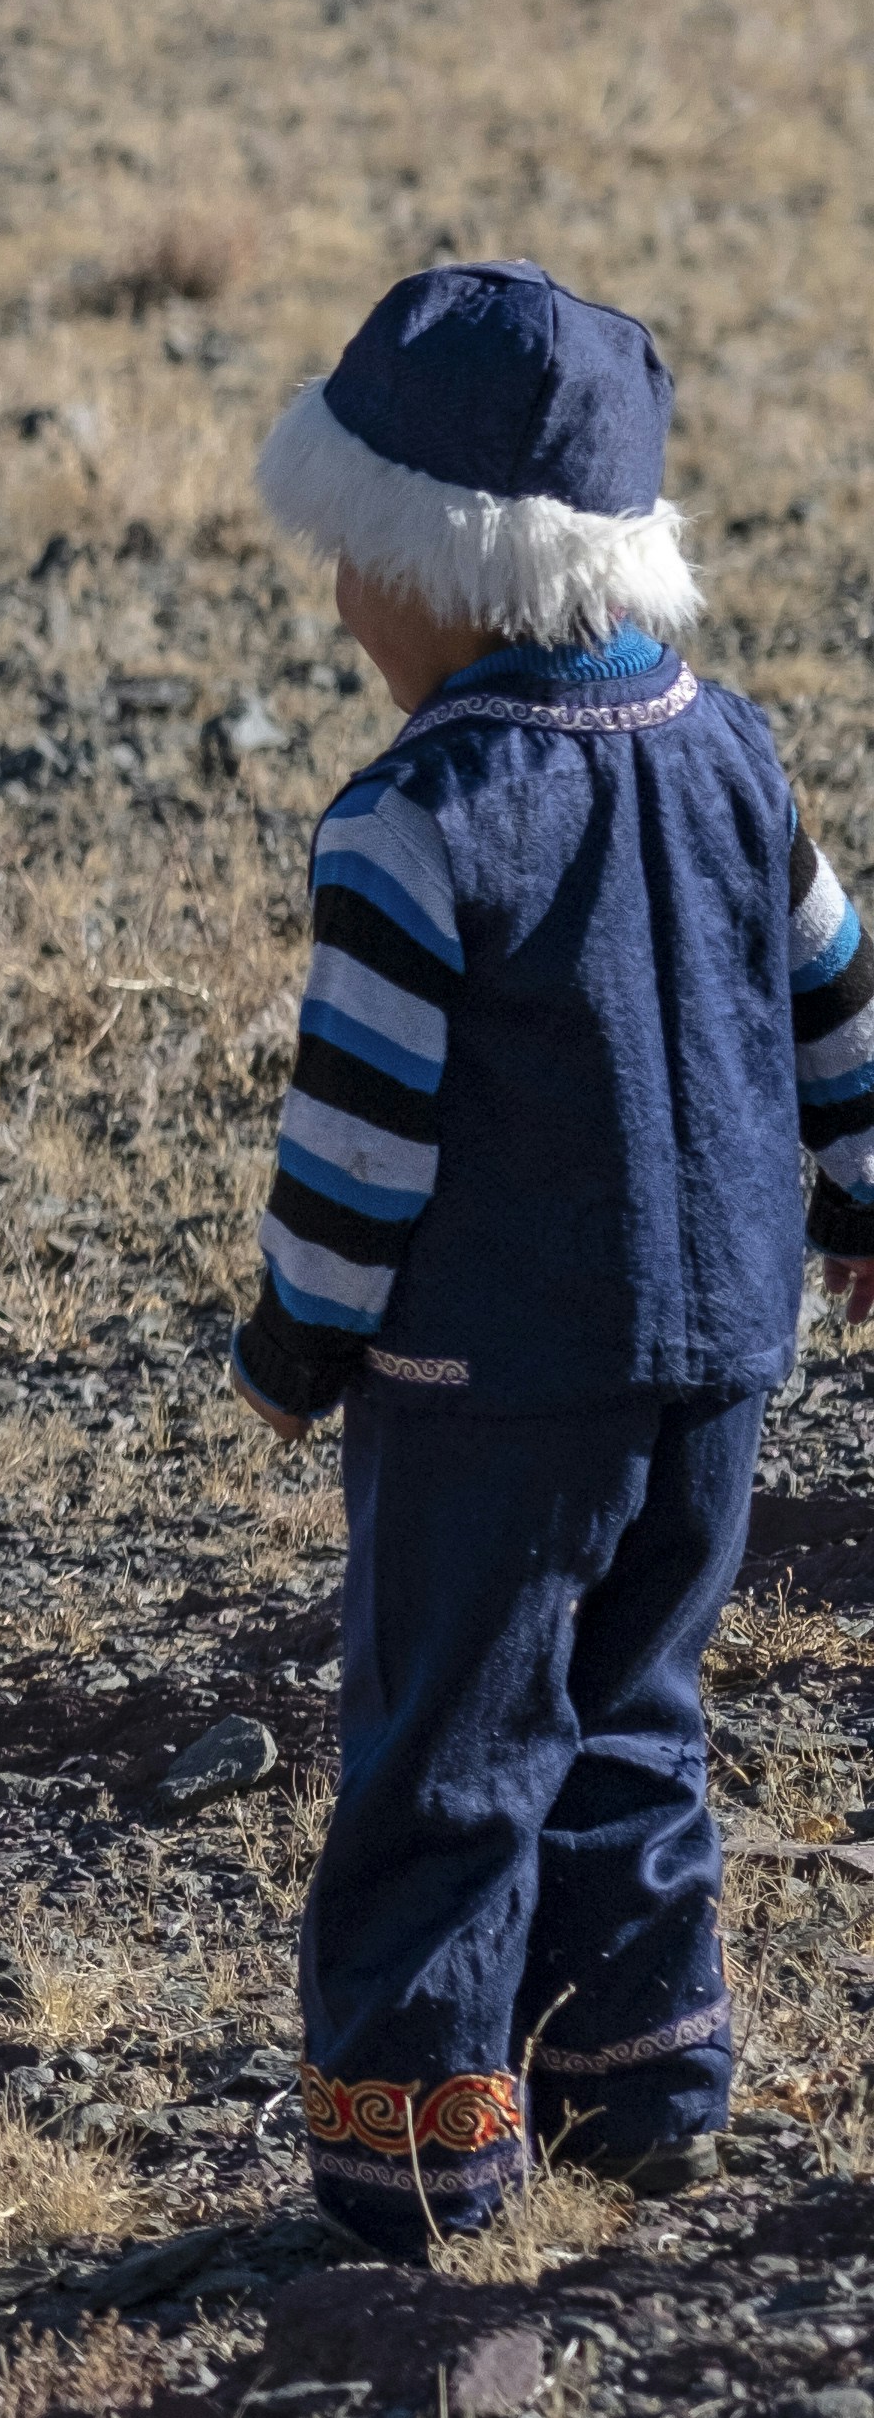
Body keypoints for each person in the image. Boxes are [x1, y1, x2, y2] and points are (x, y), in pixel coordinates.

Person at [234, 260, 874, 2253]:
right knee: (637, 1706)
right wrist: (864, 1202)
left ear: (442, 570)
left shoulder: (417, 823)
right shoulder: (737, 754)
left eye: (352, 559)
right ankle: (645, 2081)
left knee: (451, 1742)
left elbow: (361, 1143)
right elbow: (838, 1003)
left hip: (489, 1379)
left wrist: (299, 1338)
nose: (339, 603)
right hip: (718, 1354)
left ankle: (415, 2157)